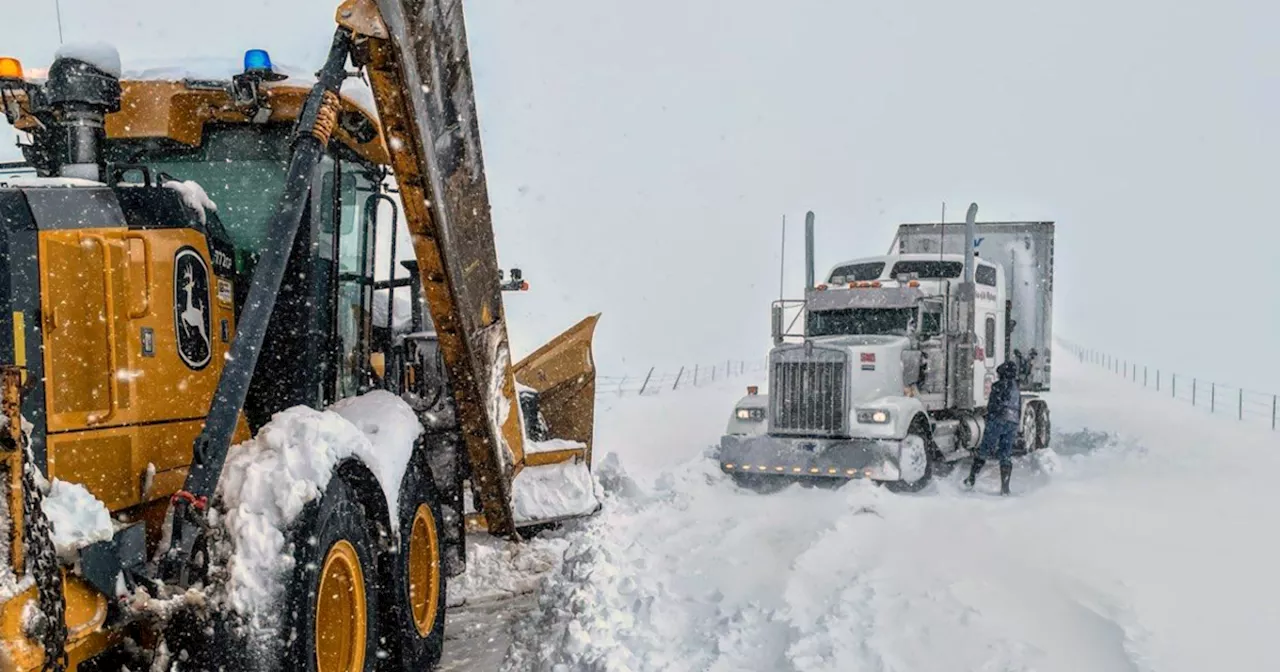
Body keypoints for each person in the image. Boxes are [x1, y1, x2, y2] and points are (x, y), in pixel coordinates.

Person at [965, 360, 1021, 495]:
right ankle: (1005, 487)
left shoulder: (997, 386)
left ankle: (971, 478)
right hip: (1012, 422)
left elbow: (992, 406)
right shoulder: (1016, 387)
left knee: (984, 449)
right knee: (1005, 454)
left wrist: (989, 414)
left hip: (998, 420)